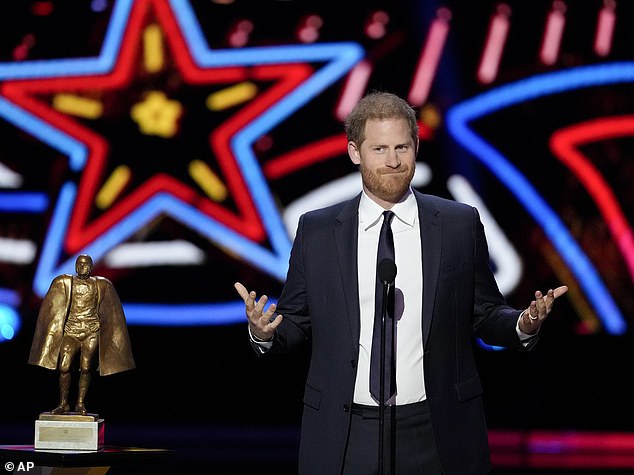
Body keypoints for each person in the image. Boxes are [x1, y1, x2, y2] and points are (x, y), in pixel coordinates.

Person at [235, 91, 567, 475]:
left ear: (416, 146)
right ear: (354, 152)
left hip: (436, 430)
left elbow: (485, 313)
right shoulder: (318, 230)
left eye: (401, 147)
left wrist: (522, 324)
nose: (393, 161)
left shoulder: (458, 224)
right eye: (379, 149)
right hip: (346, 432)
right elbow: (295, 322)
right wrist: (264, 331)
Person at [29, 254, 135, 416]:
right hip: (71, 331)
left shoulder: (101, 285)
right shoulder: (65, 282)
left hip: (90, 332)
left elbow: (111, 311)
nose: (82, 267)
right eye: (79, 264)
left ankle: (80, 403)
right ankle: (63, 403)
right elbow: (52, 307)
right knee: (64, 367)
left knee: (86, 368)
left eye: (85, 264)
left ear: (91, 267)